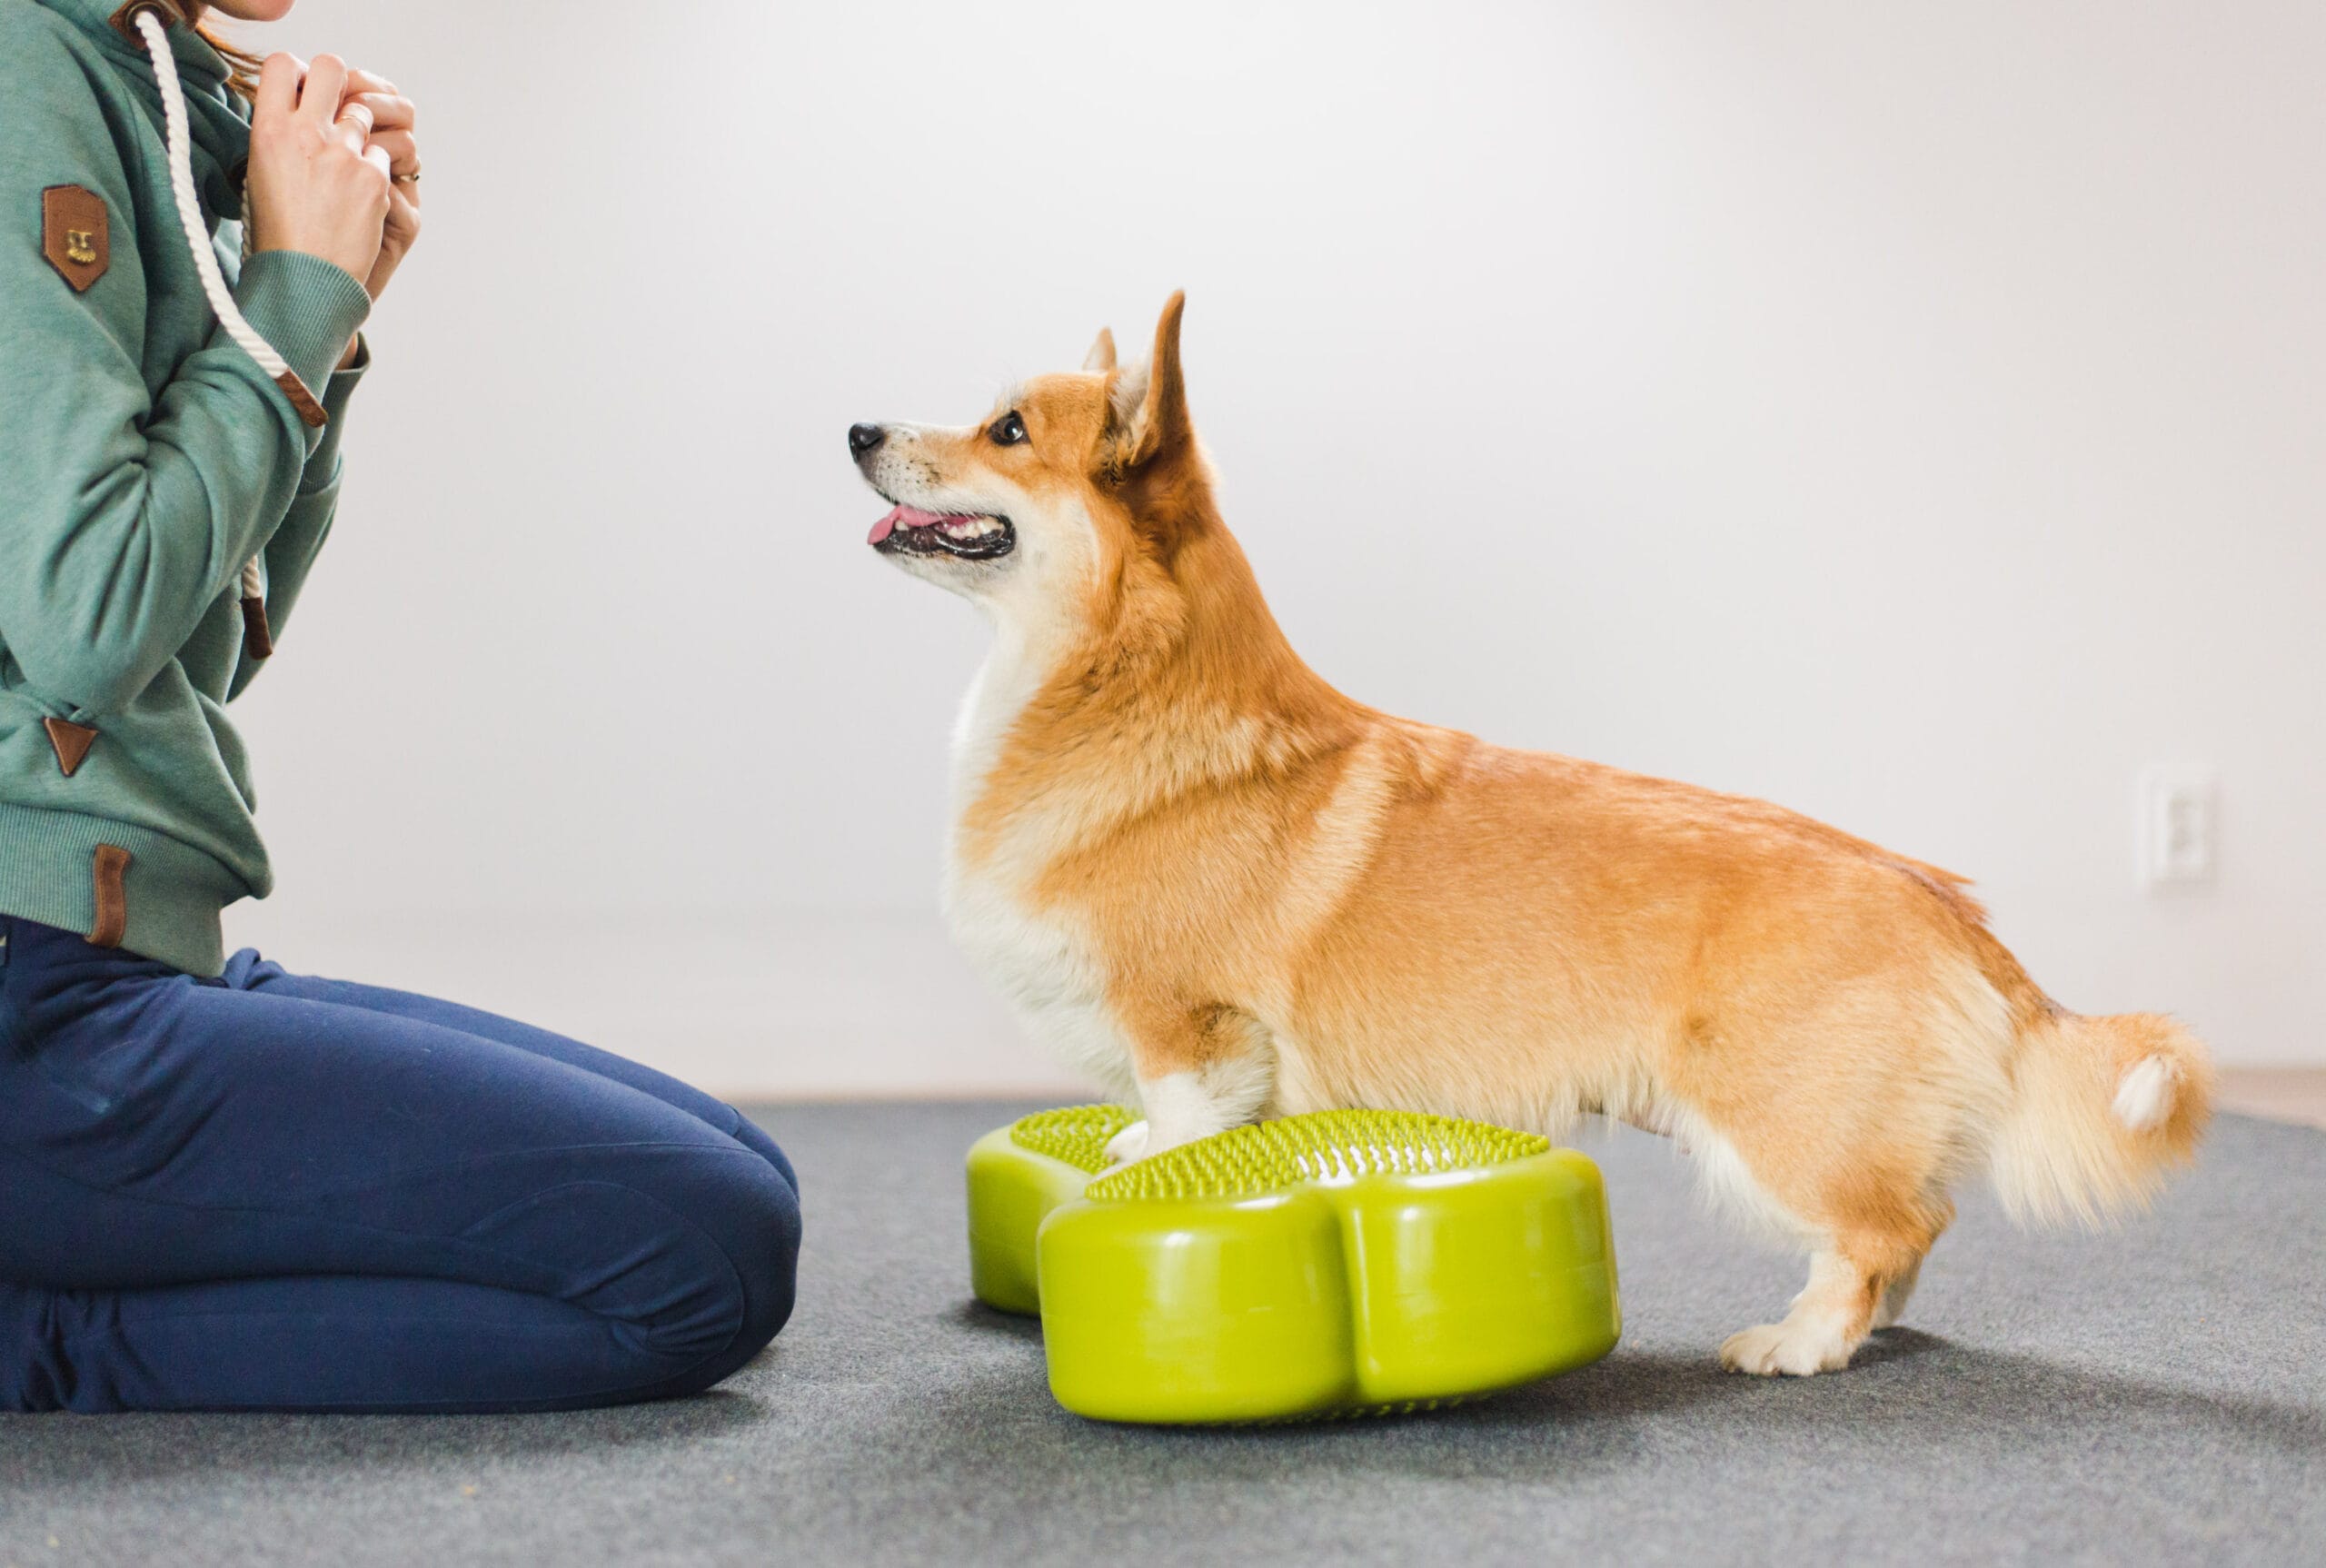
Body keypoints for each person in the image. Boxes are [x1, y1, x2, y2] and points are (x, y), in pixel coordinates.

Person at [0, 0, 800, 1413]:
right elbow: (90, 620)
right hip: (42, 1013)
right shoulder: (23, 71)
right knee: (708, 1260)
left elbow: (211, 644)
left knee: (743, 1171)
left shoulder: (142, 75)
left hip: (117, 970)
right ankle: (42, 1348)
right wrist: (293, 296)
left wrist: (329, 321)